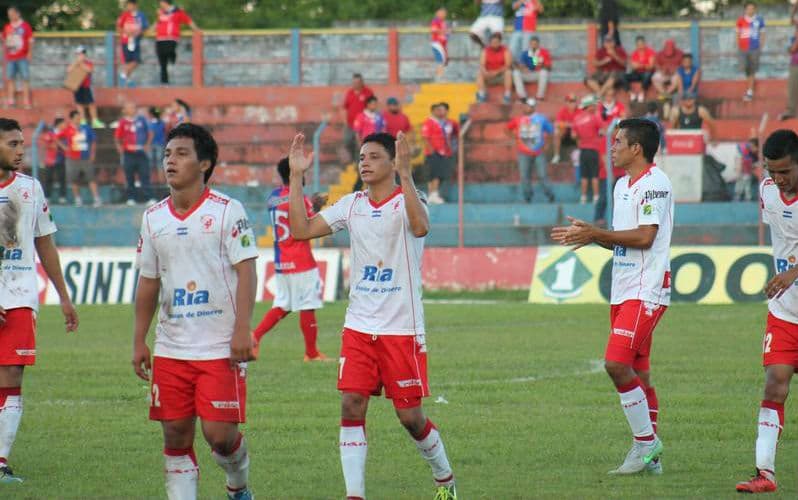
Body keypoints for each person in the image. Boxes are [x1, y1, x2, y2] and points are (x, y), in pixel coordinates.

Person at [285, 130, 457, 500]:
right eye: (362, 156)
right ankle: (355, 495)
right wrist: (296, 177)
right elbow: (300, 230)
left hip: (402, 329)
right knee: (351, 402)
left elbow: (421, 226)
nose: (364, 162)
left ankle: (444, 477)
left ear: (393, 163)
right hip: (359, 326)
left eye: (374, 156)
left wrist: (407, 176)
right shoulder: (351, 205)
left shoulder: (411, 200)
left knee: (410, 418)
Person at [132, 123, 257, 500]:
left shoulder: (227, 211)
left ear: (204, 164)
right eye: (168, 154)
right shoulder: (154, 218)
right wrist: (139, 339)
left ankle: (239, 486)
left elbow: (247, 269)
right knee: (175, 433)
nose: (171, 160)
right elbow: (149, 282)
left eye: (182, 153)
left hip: (219, 345)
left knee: (219, 436)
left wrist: (242, 329)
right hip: (172, 347)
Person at [551, 118, 671, 476]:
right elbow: (622, 238)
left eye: (619, 141)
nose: (612, 146)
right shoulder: (621, 186)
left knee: (616, 365)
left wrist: (598, 232)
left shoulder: (655, 183)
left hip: (645, 290)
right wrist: (591, 236)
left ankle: (645, 444)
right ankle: (653, 457)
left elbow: (646, 237)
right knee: (640, 375)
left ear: (637, 148)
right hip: (623, 289)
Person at [0, 117, 78, 483]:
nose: (20, 151)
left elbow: (44, 242)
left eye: (21, 143)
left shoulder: (31, 189)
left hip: (18, 293)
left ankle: (0, 462)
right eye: (13, 144)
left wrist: (64, 296)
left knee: (12, 374)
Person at [735, 129, 798, 493]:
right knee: (775, 384)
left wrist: (793, 271)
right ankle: (765, 473)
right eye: (773, 171)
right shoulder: (767, 191)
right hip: (785, 312)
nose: (779, 178)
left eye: (786, 171)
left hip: (789, 286)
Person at [252, 158, 328, 362]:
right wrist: (317, 206)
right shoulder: (300, 200)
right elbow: (308, 225)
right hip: (300, 259)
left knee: (283, 305)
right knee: (307, 305)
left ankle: (254, 337)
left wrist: (310, 203)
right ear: (298, 174)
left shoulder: (273, 197)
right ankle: (311, 354)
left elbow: (287, 214)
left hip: (281, 261)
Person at [506, 98, 555, 203]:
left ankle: (550, 194)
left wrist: (547, 145)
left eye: (527, 105)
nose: (524, 107)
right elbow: (507, 128)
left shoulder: (541, 119)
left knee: (542, 175)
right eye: (524, 105)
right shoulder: (518, 119)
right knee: (524, 176)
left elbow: (551, 131)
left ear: (532, 107)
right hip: (523, 152)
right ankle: (527, 197)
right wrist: (514, 137)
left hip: (538, 152)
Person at [115, 102, 154, 206]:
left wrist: (147, 145)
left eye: (133, 107)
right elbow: (117, 137)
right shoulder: (122, 122)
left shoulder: (142, 120)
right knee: (129, 176)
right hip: (128, 153)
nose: (133, 109)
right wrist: (120, 149)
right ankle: (131, 198)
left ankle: (148, 197)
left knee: (144, 175)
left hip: (141, 152)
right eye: (130, 107)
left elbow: (150, 133)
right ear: (125, 110)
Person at [59, 110, 100, 207]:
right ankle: (78, 199)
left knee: (91, 178)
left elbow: (93, 140)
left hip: (85, 157)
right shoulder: (67, 129)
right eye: (76, 118)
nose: (78, 119)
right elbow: (56, 137)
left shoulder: (86, 128)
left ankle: (96, 198)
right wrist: (64, 147)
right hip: (72, 158)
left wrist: (92, 154)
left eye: (79, 117)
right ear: (72, 119)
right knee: (74, 179)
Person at [421, 102, 459, 204]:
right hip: (433, 152)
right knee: (434, 174)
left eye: (442, 110)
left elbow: (456, 133)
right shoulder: (429, 122)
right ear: (433, 111)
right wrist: (431, 150)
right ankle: (432, 193)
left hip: (445, 152)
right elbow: (425, 137)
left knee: (440, 174)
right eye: (438, 110)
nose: (440, 112)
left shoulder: (450, 123)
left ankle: (433, 194)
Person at [152, 0, 198, 85]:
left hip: (171, 38)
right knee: (162, 61)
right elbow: (157, 23)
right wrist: (150, 30)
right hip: (160, 39)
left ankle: (173, 58)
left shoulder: (177, 11)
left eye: (161, 2)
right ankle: (164, 82)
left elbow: (188, 21)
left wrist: (197, 30)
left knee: (169, 51)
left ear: (166, 2)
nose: (160, 4)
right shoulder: (161, 13)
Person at [572, 95, 603, 204]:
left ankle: (583, 197)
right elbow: (602, 129)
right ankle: (596, 197)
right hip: (594, 149)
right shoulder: (594, 117)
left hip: (583, 150)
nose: (594, 106)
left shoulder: (576, 118)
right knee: (595, 175)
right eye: (593, 105)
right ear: (588, 106)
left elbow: (573, 135)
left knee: (584, 176)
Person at [67, 46, 105, 129]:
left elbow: (89, 70)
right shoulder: (74, 63)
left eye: (82, 54)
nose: (80, 56)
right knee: (79, 103)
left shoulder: (88, 63)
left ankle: (95, 120)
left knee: (91, 103)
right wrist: (76, 63)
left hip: (86, 86)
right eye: (78, 54)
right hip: (77, 86)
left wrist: (81, 63)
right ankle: (83, 120)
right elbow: (69, 70)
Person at [1, 7, 32, 109]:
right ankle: (11, 101)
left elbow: (30, 40)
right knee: (10, 78)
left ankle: (26, 101)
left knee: (25, 78)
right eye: (9, 14)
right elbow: (5, 41)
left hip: (22, 56)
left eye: (12, 13)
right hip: (10, 57)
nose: (10, 16)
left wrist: (30, 53)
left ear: (18, 14)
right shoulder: (7, 27)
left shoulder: (25, 26)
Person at [342, 74, 375, 165]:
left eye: (358, 82)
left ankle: (358, 163)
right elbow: (345, 108)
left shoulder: (368, 92)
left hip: (363, 126)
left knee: (361, 144)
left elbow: (372, 106)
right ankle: (351, 160)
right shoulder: (350, 93)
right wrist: (345, 121)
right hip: (350, 124)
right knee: (347, 141)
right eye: (354, 82)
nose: (355, 84)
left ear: (362, 82)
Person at [737, 1, 765, 102]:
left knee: (752, 69)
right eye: (748, 8)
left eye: (752, 8)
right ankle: (749, 87)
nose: (750, 10)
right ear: (745, 9)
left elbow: (762, 34)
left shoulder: (759, 20)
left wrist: (760, 46)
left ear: (755, 9)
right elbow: (737, 34)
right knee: (745, 68)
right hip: (743, 48)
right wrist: (739, 45)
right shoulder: (740, 20)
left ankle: (750, 90)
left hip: (754, 48)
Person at [116, 0, 149, 87]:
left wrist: (138, 33)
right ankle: (127, 80)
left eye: (130, 5)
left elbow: (145, 28)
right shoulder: (124, 15)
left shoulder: (141, 15)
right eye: (127, 5)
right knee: (128, 61)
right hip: (126, 41)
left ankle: (124, 74)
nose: (128, 7)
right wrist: (126, 33)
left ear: (135, 5)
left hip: (135, 41)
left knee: (136, 60)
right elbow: (119, 27)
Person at [476, 32, 513, 104]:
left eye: (496, 42)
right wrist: (485, 72)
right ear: (490, 42)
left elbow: (508, 65)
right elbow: (482, 65)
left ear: (500, 42)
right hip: (489, 75)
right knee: (480, 73)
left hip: (501, 75)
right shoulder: (485, 51)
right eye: (493, 42)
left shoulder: (505, 50)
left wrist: (496, 72)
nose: (495, 44)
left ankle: (507, 96)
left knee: (509, 72)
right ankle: (482, 95)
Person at [512, 36, 551, 100]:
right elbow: (520, 64)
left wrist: (540, 64)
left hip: (538, 74)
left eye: (535, 44)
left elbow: (549, 67)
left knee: (544, 73)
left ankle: (540, 96)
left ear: (538, 44)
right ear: (529, 44)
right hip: (527, 74)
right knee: (515, 73)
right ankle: (522, 96)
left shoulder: (544, 52)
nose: (534, 46)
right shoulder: (525, 53)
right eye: (532, 44)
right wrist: (523, 68)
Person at [39, 117, 67, 203]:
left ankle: (62, 197)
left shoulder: (65, 134)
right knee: (48, 178)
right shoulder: (49, 133)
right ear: (58, 124)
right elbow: (44, 144)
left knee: (62, 178)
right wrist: (52, 146)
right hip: (50, 160)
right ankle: (47, 197)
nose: (65, 125)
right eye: (63, 123)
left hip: (61, 159)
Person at [626, 36, 656, 103]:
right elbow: (633, 66)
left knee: (647, 75)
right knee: (624, 76)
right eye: (638, 45)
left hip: (647, 73)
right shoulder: (634, 53)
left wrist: (639, 65)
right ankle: (631, 93)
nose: (640, 46)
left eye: (641, 44)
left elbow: (651, 67)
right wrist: (643, 65)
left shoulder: (650, 52)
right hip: (637, 73)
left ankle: (641, 92)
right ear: (636, 45)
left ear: (644, 44)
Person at [778, 24, 798, 121]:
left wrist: (788, 48)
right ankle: (791, 111)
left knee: (793, 88)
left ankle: (791, 111)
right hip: (795, 63)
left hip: (796, 64)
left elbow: (793, 49)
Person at [553, 93, 578, 164]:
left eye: (574, 101)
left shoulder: (579, 110)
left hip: (576, 133)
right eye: (570, 101)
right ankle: (556, 156)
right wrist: (569, 125)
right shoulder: (563, 111)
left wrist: (570, 125)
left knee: (578, 131)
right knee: (557, 132)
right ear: (566, 102)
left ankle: (580, 155)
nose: (572, 103)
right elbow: (557, 124)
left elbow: (581, 124)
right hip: (565, 134)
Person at [734, 136, 760, 202]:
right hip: (742, 165)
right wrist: (738, 169)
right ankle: (739, 195)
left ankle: (747, 196)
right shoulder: (744, 149)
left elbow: (753, 163)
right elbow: (740, 161)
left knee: (746, 180)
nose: (756, 150)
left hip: (746, 166)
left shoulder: (752, 151)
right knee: (742, 180)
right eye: (756, 149)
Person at [430, 7, 450, 81]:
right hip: (437, 43)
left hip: (442, 44)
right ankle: (439, 78)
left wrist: (448, 32)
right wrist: (445, 31)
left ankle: (439, 76)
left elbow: (446, 34)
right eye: (442, 12)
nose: (444, 14)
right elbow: (433, 29)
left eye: (445, 13)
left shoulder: (443, 22)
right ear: (437, 13)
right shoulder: (436, 20)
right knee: (440, 61)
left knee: (443, 61)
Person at [148, 107, 167, 181]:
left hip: (152, 145)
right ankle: (161, 181)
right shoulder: (162, 123)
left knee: (150, 164)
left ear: (151, 114)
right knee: (160, 165)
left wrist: (147, 144)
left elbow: (151, 135)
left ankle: (149, 182)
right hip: (161, 144)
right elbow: (165, 133)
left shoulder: (150, 123)